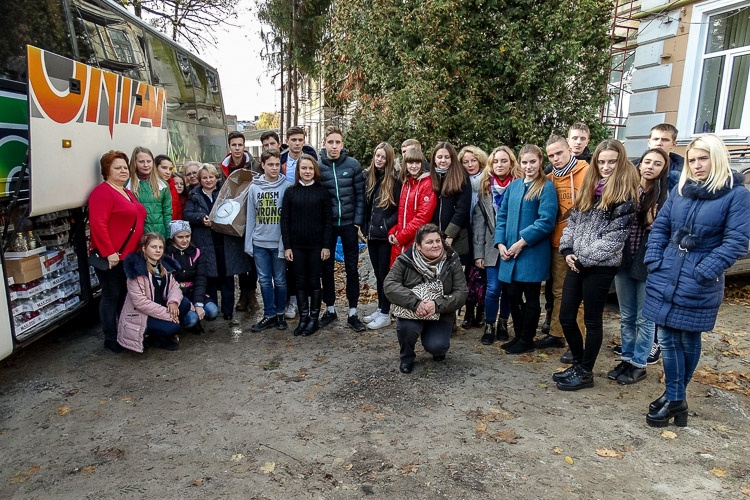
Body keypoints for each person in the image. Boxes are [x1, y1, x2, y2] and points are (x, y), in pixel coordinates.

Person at [643, 134, 750, 427]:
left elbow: (737, 241)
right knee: (666, 337)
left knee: (687, 337)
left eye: (703, 158)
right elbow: (661, 227)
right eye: (692, 160)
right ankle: (675, 398)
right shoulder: (681, 189)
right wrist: (654, 259)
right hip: (667, 272)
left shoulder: (736, 195)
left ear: (717, 158)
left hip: (699, 279)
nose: (697, 165)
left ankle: (674, 398)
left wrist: (704, 270)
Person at [554, 139, 638, 391]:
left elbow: (614, 239)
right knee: (566, 316)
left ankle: (585, 372)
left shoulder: (626, 196)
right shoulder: (589, 189)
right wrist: (568, 251)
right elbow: (573, 223)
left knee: (592, 321)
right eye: (601, 162)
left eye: (612, 161)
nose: (606, 166)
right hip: (577, 262)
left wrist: (584, 259)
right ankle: (578, 363)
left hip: (601, 267)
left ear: (620, 162)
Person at [607, 148, 669, 385]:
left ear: (663, 169)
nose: (650, 167)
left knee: (645, 318)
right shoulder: (627, 191)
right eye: (647, 162)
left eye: (657, 164)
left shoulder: (664, 197)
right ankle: (627, 358)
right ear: (640, 165)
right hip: (624, 259)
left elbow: (670, 232)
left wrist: (657, 223)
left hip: (647, 263)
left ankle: (639, 363)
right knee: (627, 315)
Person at [495, 145, 557, 354]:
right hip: (510, 251)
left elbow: (546, 221)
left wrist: (522, 242)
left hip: (531, 252)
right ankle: (519, 335)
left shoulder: (546, 187)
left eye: (533, 162)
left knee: (531, 297)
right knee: (512, 294)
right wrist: (500, 243)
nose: (529, 166)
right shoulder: (514, 186)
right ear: (519, 163)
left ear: (540, 162)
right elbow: (502, 216)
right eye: (525, 162)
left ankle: (527, 339)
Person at [385, 224, 467, 374]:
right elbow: (389, 285)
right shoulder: (405, 259)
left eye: (438, 241)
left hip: (440, 312)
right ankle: (407, 357)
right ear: (418, 245)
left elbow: (461, 292)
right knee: (407, 329)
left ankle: (435, 345)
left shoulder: (452, 259)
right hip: (412, 310)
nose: (435, 245)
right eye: (429, 242)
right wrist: (416, 303)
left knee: (437, 346)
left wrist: (437, 305)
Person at [88, 150, 147, 352]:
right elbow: (98, 224)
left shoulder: (126, 192)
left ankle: (123, 335)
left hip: (128, 257)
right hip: (113, 257)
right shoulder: (102, 192)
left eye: (125, 167)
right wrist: (109, 252)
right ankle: (110, 338)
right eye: (117, 168)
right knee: (111, 296)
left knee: (124, 296)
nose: (123, 171)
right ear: (107, 171)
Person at [537, 135, 589, 360]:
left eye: (559, 153)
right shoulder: (549, 178)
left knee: (578, 295)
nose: (556, 158)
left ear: (569, 149)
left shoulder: (587, 173)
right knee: (558, 291)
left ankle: (577, 341)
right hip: (557, 243)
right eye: (551, 155)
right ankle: (557, 333)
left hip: (581, 244)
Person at [183, 164, 251, 320]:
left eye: (211, 177)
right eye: (204, 178)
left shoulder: (226, 192)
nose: (208, 180)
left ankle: (228, 311)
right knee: (210, 277)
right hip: (205, 242)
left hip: (225, 241)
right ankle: (211, 308)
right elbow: (187, 215)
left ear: (216, 178)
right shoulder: (194, 195)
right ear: (200, 180)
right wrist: (200, 219)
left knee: (227, 277)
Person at [318, 125, 367, 331]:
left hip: (348, 224)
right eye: (330, 142)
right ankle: (330, 309)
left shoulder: (353, 165)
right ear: (324, 144)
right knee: (326, 269)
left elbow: (360, 196)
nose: (334, 146)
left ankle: (353, 312)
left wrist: (357, 221)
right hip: (328, 226)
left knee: (351, 268)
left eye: (337, 142)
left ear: (342, 144)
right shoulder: (318, 166)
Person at [118, 232, 199, 352]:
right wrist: (169, 315)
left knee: (185, 303)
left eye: (160, 247)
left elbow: (175, 287)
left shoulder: (164, 266)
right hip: (142, 315)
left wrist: (173, 302)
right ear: (144, 249)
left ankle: (160, 335)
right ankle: (155, 337)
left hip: (159, 307)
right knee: (173, 327)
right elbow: (141, 303)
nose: (158, 250)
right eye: (153, 247)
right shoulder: (136, 271)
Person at [281, 154, 333, 336]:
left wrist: (326, 246)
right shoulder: (291, 192)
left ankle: (314, 318)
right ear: (298, 171)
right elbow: (285, 221)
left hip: (317, 246)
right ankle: (303, 318)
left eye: (310, 168)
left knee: (314, 281)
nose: (307, 171)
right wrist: (287, 246)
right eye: (304, 168)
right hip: (297, 246)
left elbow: (328, 221)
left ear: (315, 170)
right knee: (300, 282)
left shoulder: (322, 192)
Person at [473, 146, 518, 344]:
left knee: (509, 289)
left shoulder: (518, 185)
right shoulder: (485, 189)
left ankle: (503, 323)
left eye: (504, 161)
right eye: (496, 161)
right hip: (491, 247)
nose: (499, 165)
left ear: (511, 163)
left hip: (513, 246)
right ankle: (489, 324)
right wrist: (478, 254)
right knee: (493, 288)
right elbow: (479, 225)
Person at [245, 149, 290, 332]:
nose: (274, 168)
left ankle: (280, 314)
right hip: (259, 242)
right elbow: (250, 216)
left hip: (278, 243)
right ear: (262, 165)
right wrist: (248, 242)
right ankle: (269, 314)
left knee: (280, 280)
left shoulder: (286, 186)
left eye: (277, 164)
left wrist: (286, 243)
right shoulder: (254, 188)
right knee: (264, 280)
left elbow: (288, 219)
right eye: (270, 164)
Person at [279, 126, 319, 320]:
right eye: (293, 139)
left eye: (300, 139)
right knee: (291, 267)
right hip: (288, 213)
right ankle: (293, 301)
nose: (296, 143)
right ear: (287, 141)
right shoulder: (280, 160)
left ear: (304, 140)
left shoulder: (311, 159)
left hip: (309, 216)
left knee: (310, 271)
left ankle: (310, 307)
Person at [363, 142, 401, 330]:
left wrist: (386, 225)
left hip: (385, 235)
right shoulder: (370, 177)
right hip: (371, 234)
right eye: (377, 155)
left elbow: (398, 209)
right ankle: (380, 307)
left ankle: (386, 312)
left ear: (389, 160)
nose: (379, 159)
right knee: (378, 274)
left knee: (385, 274)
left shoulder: (394, 181)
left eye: (383, 157)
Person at [221, 132, 260, 314]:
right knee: (238, 257)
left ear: (244, 146)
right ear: (229, 147)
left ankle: (251, 293)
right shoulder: (223, 167)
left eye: (240, 145)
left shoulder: (255, 165)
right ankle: (243, 294)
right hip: (232, 218)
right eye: (234, 145)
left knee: (252, 258)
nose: (237, 148)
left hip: (252, 215)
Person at [165, 220, 219, 332]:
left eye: (187, 236)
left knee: (212, 310)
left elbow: (201, 278)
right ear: (173, 237)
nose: (185, 240)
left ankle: (196, 317)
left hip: (193, 290)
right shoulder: (167, 254)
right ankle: (180, 324)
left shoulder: (196, 252)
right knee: (191, 319)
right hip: (176, 294)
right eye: (180, 237)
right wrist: (187, 303)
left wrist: (198, 303)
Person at [388, 147, 437, 264]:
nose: (414, 166)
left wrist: (400, 237)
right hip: (401, 243)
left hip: (416, 242)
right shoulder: (406, 183)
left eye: (417, 163)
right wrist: (393, 231)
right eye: (410, 163)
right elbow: (402, 214)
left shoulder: (427, 184)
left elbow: (423, 218)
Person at [458, 145, 488, 329]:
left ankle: (481, 311)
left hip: (484, 233)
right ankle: (468, 311)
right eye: (465, 162)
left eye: (473, 161)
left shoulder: (487, 179)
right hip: (466, 233)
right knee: (469, 275)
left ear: (480, 161)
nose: (470, 165)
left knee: (483, 275)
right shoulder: (460, 181)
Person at [430, 142, 472, 265]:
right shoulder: (430, 177)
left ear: (452, 158)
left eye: (447, 157)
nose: (443, 160)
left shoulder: (461, 177)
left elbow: (462, 209)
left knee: (456, 272)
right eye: (439, 157)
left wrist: (450, 235)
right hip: (433, 236)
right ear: (434, 159)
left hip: (457, 236)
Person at [128, 146, 171, 239]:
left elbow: (167, 213)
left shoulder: (163, 185)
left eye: (149, 161)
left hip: (159, 235)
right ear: (134, 163)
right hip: (136, 235)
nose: (146, 165)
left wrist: (168, 236)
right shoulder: (127, 184)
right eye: (141, 162)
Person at [155, 154, 182, 220]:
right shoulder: (149, 185)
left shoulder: (172, 185)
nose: (168, 172)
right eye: (164, 168)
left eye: (170, 169)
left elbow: (178, 209)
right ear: (155, 168)